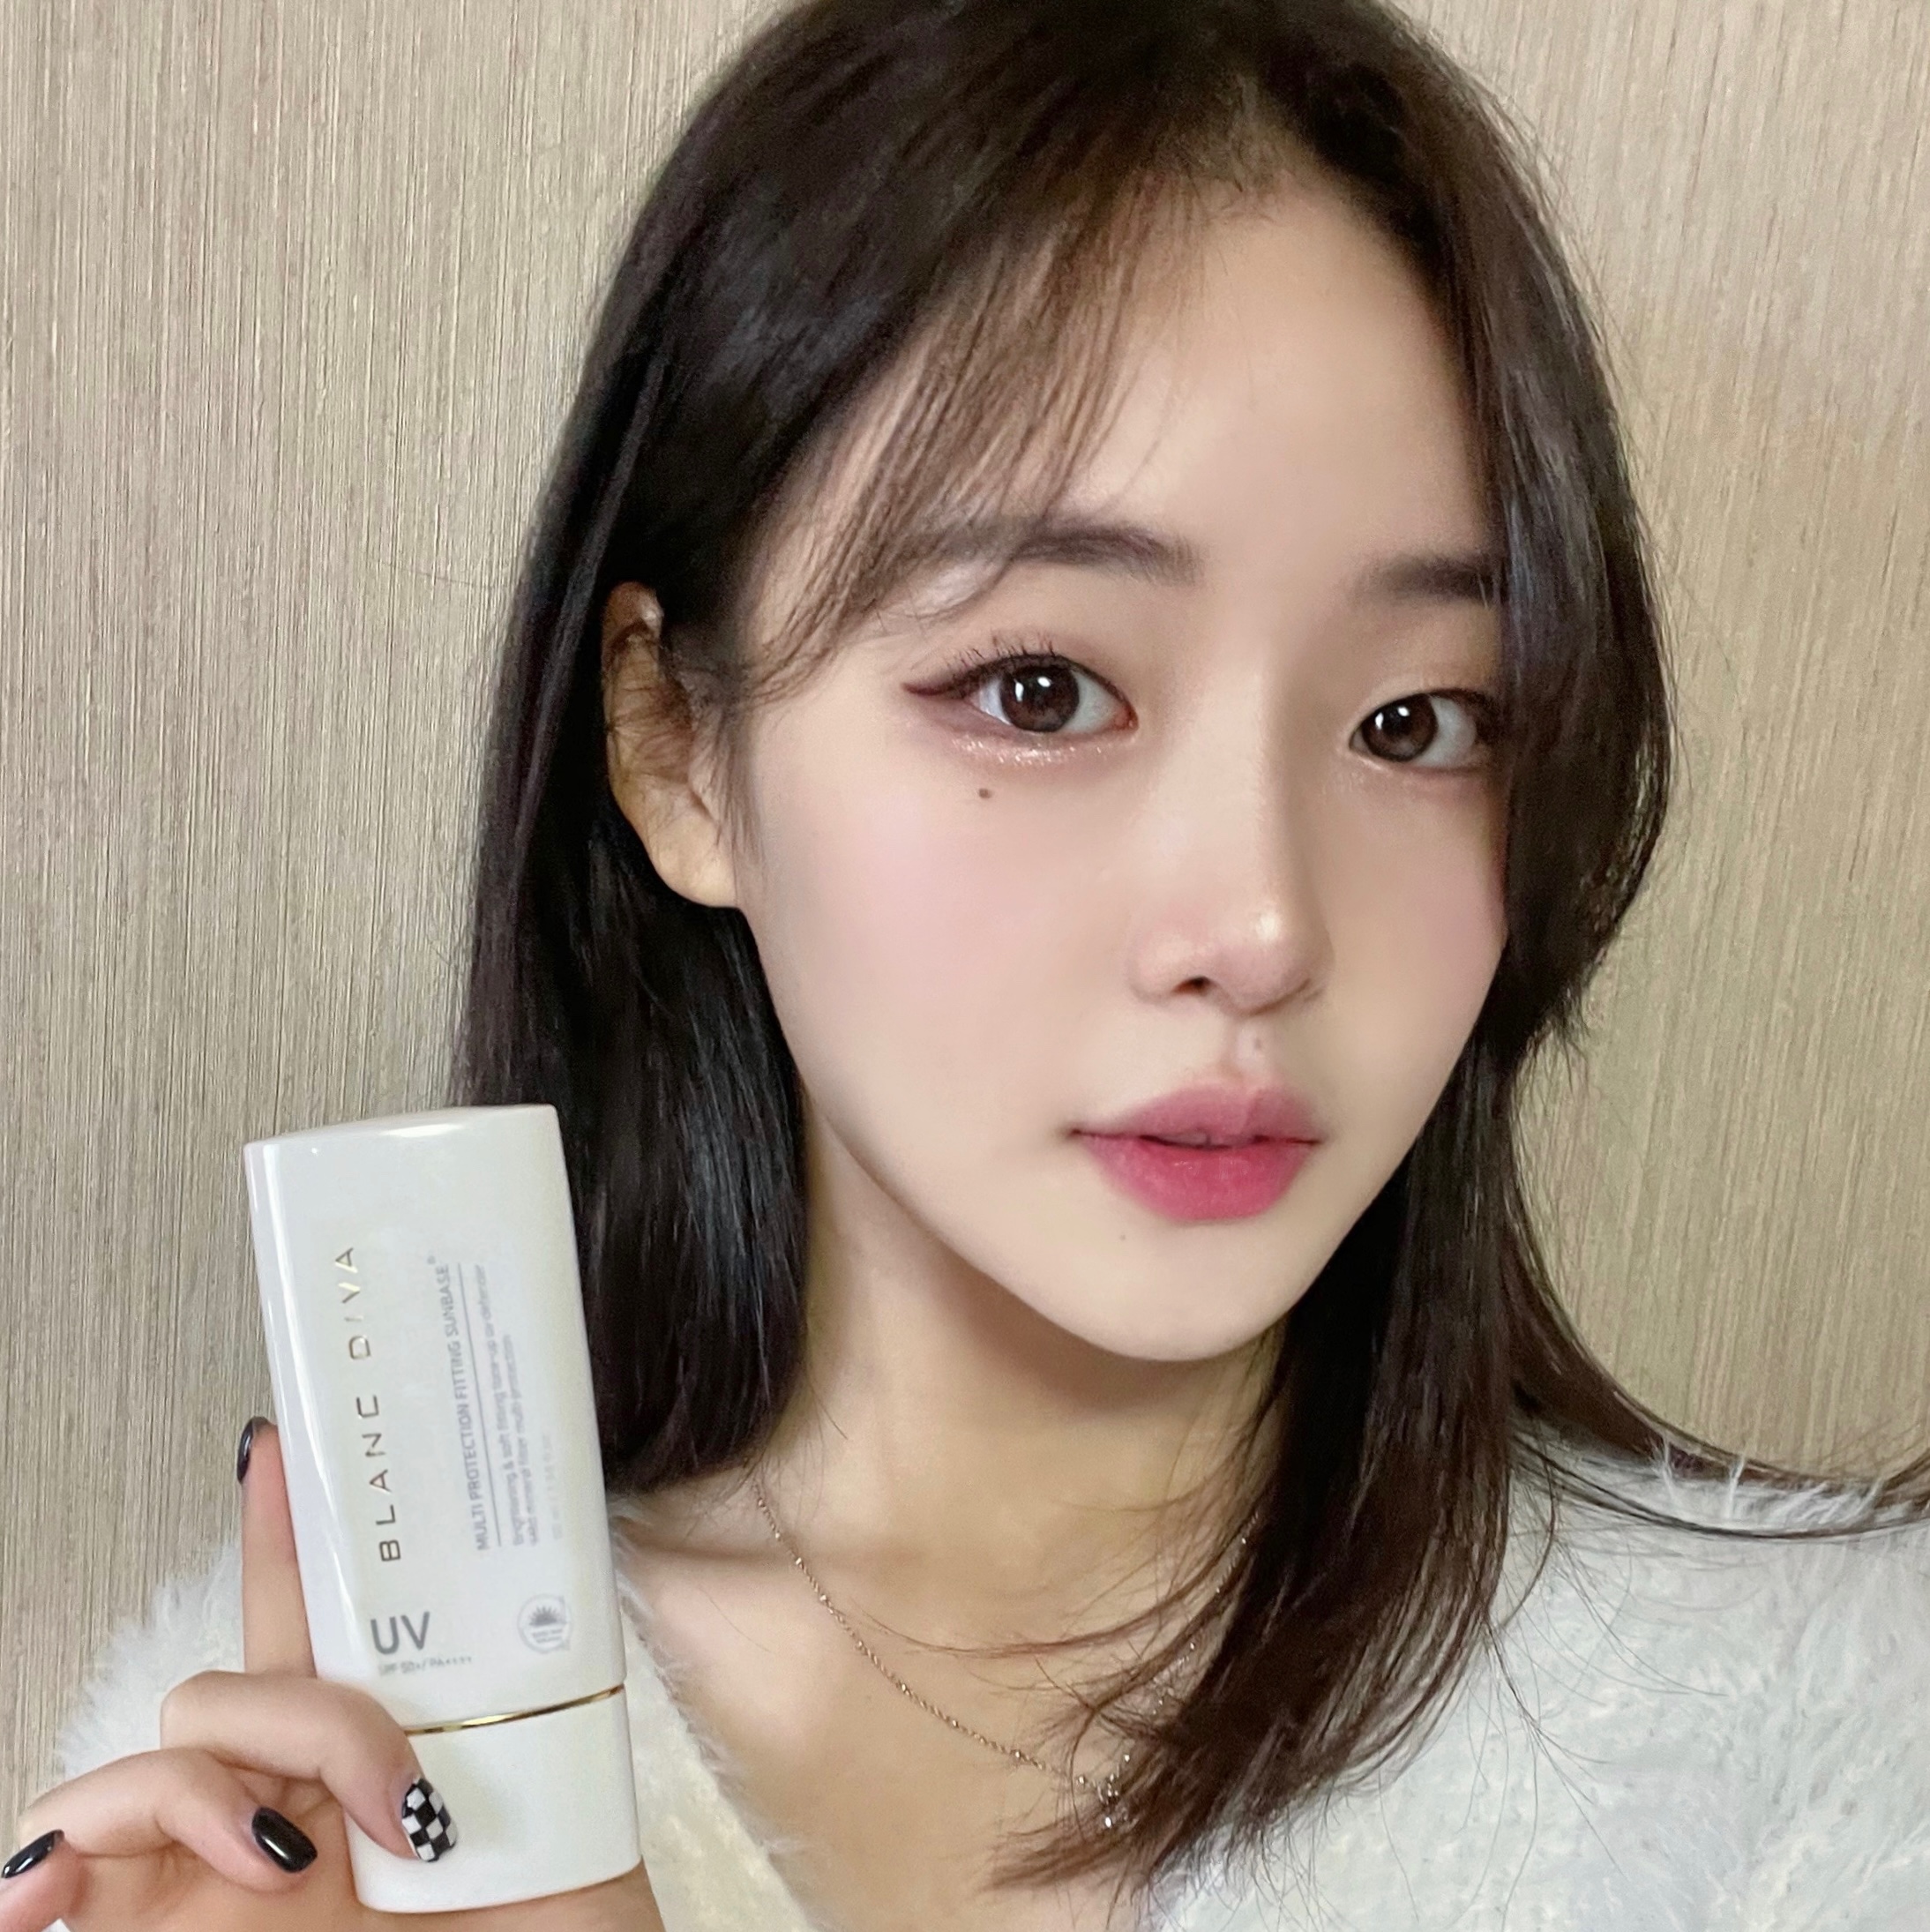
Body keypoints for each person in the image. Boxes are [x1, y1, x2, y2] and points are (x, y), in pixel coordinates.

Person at [8, 0, 1930, 1927]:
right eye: (1040, 690)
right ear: (673, 746)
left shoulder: (1837, 1740)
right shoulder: (302, 1800)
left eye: (1417, 722)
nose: (1262, 928)